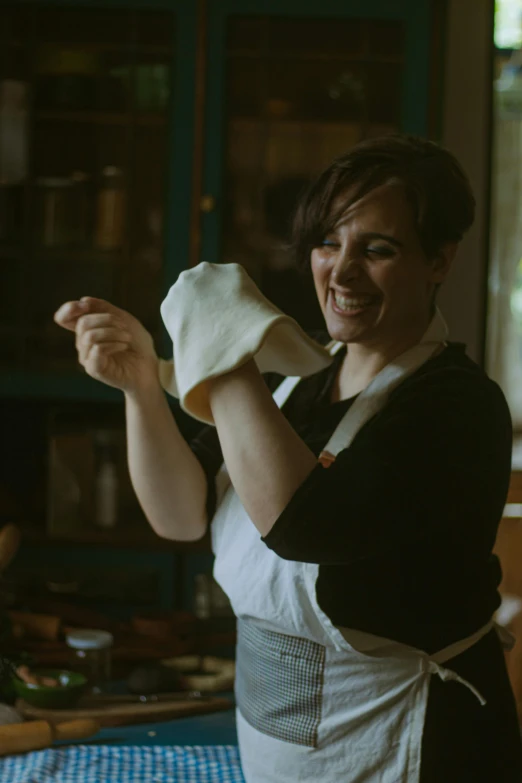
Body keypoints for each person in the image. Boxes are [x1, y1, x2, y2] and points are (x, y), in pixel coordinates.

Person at [54, 135, 522, 782]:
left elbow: (304, 525)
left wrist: (228, 344)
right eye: (328, 243)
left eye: (378, 249)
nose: (342, 271)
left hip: (417, 747)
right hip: (286, 754)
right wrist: (140, 384)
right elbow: (180, 514)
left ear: (440, 259)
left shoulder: (456, 407)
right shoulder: (294, 385)